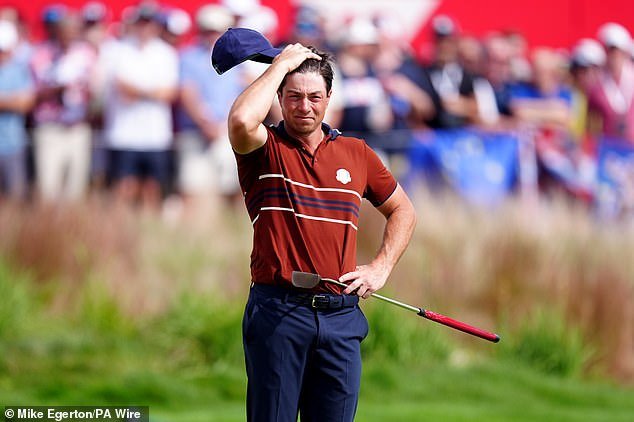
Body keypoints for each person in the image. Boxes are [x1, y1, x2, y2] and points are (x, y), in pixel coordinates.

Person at [227, 40, 417, 422]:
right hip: (279, 313)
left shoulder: (356, 153)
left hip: (341, 319)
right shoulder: (264, 148)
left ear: (329, 98)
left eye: (314, 97)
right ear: (279, 97)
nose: (304, 106)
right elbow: (242, 121)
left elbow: (403, 210)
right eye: (294, 96)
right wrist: (281, 64)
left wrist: (380, 267)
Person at [0, 20, 35, 202]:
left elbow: (25, 103)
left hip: (12, 144)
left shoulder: (19, 70)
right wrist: (11, 100)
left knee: (15, 199)